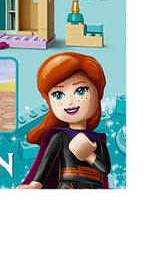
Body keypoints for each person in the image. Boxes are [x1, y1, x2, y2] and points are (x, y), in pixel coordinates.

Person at [16, 52, 111, 189]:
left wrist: (89, 156)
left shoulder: (98, 141)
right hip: (68, 186)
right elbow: (46, 164)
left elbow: (105, 169)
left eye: (81, 91)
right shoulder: (60, 137)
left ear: (98, 94)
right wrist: (35, 185)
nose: (70, 102)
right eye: (58, 95)